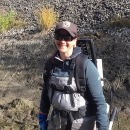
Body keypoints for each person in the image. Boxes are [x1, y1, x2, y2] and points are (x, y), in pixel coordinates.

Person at [38, 21, 109, 130]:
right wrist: (42, 116)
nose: (62, 41)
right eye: (58, 36)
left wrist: (103, 128)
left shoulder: (86, 66)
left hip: (81, 123)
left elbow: (99, 103)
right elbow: (45, 94)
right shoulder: (50, 64)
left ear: (75, 40)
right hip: (56, 121)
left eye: (67, 37)